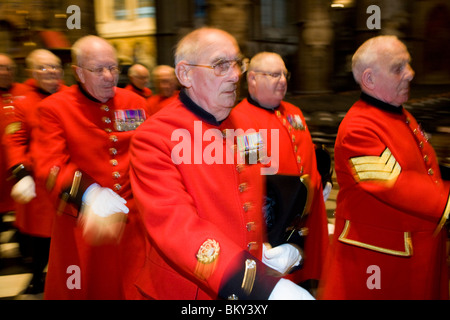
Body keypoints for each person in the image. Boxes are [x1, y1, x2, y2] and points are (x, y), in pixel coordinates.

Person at [129, 27, 314, 300]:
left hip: (239, 275)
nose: (235, 75)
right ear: (185, 74)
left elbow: (250, 196)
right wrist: (255, 282)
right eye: (220, 65)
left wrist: (265, 246)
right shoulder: (155, 136)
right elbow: (175, 225)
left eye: (237, 63)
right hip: (190, 288)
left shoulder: (242, 126)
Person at [318, 35, 450, 300]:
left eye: (408, 64)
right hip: (380, 264)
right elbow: (394, 183)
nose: (411, 74)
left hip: (418, 249)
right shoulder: (358, 128)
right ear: (369, 79)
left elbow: (421, 165)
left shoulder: (399, 113)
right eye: (398, 68)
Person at [33, 35, 148, 299]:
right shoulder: (54, 108)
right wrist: (89, 193)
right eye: (99, 70)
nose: (109, 76)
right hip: (84, 225)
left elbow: (150, 153)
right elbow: (50, 164)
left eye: (114, 67)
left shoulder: (136, 104)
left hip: (133, 225)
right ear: (79, 73)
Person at [232, 52, 330, 293]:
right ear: (252, 79)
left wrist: (319, 180)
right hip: (274, 222)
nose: (283, 80)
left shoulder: (293, 112)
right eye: (275, 74)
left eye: (285, 74)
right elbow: (250, 176)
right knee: (280, 286)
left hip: (307, 215)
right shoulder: (239, 119)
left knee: (307, 277)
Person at [3, 49, 65, 294]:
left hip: (70, 179)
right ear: (31, 72)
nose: (50, 72)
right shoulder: (22, 103)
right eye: (43, 67)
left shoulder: (71, 96)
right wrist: (20, 172)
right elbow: (14, 139)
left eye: (54, 67)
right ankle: (38, 275)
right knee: (40, 238)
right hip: (39, 183)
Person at [0, 54, 29, 223]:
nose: (4, 72)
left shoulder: (25, 91)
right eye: (0, 68)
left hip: (20, 162)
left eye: (8, 68)